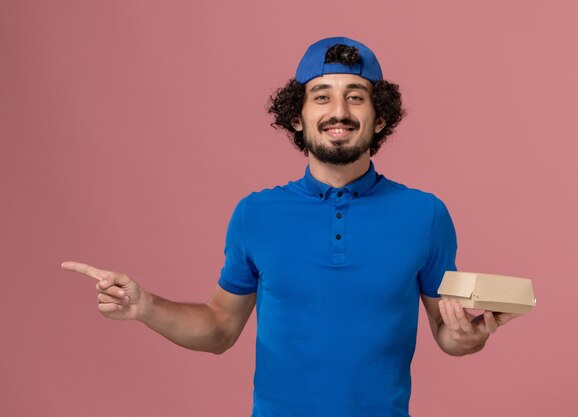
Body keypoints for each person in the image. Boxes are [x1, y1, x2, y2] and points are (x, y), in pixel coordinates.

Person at [62, 36, 519, 416]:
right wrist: (146, 307)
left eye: (355, 97)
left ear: (380, 118)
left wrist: (464, 339)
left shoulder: (426, 214)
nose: (338, 111)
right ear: (297, 118)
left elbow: (448, 329)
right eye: (321, 97)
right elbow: (220, 328)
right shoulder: (255, 214)